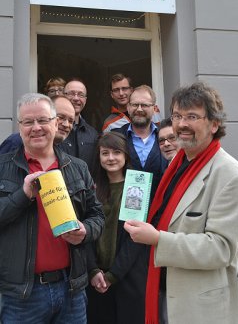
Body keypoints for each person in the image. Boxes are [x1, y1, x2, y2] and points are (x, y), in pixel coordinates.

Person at [124, 81, 238, 324]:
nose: (181, 124)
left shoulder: (230, 175)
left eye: (192, 116)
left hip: (198, 307)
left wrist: (158, 239)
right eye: (177, 115)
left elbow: (220, 249)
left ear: (214, 124)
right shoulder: (177, 162)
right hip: (162, 292)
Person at [0, 93, 104, 323]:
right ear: (19, 127)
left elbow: (97, 215)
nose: (36, 127)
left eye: (43, 120)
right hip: (21, 295)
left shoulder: (77, 167)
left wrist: (85, 231)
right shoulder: (2, 167)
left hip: (71, 290)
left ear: (56, 123)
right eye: (28, 122)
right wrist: (23, 195)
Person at [87, 132, 148, 324]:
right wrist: (94, 270)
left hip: (127, 278)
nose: (111, 158)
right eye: (105, 153)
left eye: (116, 152)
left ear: (126, 155)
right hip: (96, 279)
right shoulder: (91, 188)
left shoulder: (137, 184)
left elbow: (135, 238)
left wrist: (113, 275)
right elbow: (86, 234)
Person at [113, 85, 167, 199]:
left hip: (160, 210)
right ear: (128, 107)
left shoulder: (166, 138)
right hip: (122, 212)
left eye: (145, 105)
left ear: (154, 109)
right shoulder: (115, 136)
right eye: (135, 105)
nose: (139, 109)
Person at [0, 95, 75, 153]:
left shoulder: (66, 149)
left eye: (71, 121)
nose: (66, 124)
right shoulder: (16, 143)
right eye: (61, 117)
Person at [62, 78, 98, 175]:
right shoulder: (53, 129)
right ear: (63, 96)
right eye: (71, 93)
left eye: (81, 95)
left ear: (85, 100)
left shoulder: (93, 134)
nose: (76, 98)